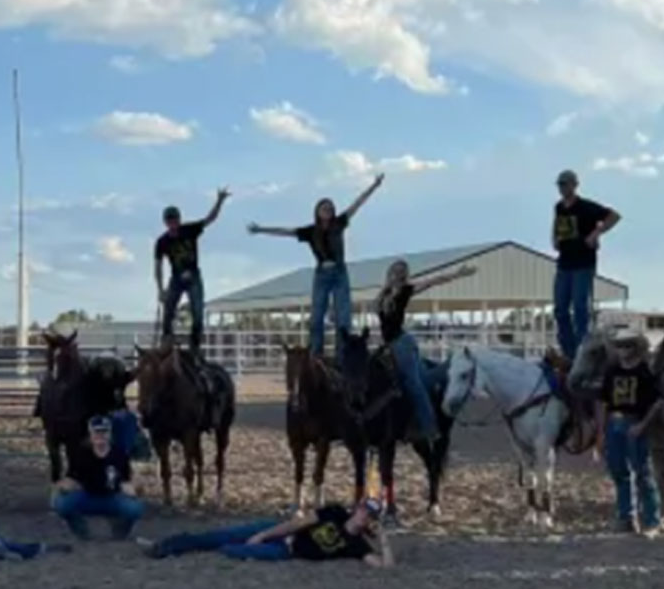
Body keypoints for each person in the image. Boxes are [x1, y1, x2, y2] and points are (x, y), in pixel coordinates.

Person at [247, 175, 383, 357]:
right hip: (322, 275)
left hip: (340, 272)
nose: (327, 210)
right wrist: (261, 229)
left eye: (329, 208)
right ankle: (315, 353)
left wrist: (374, 185)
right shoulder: (310, 232)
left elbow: (357, 204)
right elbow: (285, 232)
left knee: (343, 318)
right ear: (317, 212)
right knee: (317, 316)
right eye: (323, 208)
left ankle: (341, 355)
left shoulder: (339, 223)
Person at [375, 258, 477, 445]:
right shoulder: (382, 295)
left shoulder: (405, 290)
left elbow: (433, 281)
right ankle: (451, 364)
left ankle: (430, 429)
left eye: (400, 272)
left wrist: (457, 274)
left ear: (403, 276)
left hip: (402, 344)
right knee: (426, 379)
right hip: (394, 345)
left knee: (415, 386)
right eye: (395, 271)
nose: (397, 274)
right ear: (389, 273)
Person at [137, 498, 394, 566]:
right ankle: (165, 546)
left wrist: (383, 539)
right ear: (357, 507)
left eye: (369, 516)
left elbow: (384, 567)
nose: (363, 516)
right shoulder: (336, 512)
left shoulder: (357, 545)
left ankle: (181, 548)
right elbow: (298, 523)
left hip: (286, 551)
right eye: (363, 510)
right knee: (223, 535)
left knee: (229, 549)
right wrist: (266, 534)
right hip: (278, 534)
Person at [594, 331, 662, 535]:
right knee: (619, 472)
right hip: (614, 424)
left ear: (636, 348)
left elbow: (657, 402)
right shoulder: (611, 372)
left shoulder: (644, 373)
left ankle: (652, 520)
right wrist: (601, 430)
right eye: (620, 346)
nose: (623, 351)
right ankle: (627, 517)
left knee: (643, 472)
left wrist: (643, 425)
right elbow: (603, 401)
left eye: (628, 346)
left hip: (635, 423)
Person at [551, 169, 620, 361]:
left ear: (574, 185)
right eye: (560, 184)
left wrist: (595, 234)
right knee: (560, 309)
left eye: (566, 184)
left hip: (583, 263)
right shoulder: (559, 207)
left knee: (580, 307)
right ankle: (569, 351)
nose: (563, 188)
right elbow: (557, 224)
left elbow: (613, 216)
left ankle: (583, 348)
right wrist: (555, 238)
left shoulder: (586, 207)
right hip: (564, 263)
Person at [154, 188, 230, 353]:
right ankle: (167, 341)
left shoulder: (189, 230)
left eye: (174, 220)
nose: (172, 223)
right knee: (168, 311)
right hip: (176, 278)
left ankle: (194, 347)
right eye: (169, 221)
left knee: (198, 312)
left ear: (179, 220)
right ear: (165, 222)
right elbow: (158, 266)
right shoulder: (162, 242)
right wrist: (160, 290)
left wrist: (220, 201)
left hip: (193, 276)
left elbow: (210, 219)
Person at [52, 415, 144, 540]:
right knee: (60, 503)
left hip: (112, 497)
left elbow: (127, 479)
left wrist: (135, 488)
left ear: (110, 434)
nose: (100, 436)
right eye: (97, 432)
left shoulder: (119, 454)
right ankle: (80, 529)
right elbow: (72, 478)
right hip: (87, 497)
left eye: (104, 432)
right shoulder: (81, 454)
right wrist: (63, 486)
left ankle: (120, 529)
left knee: (135, 508)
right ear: (90, 434)